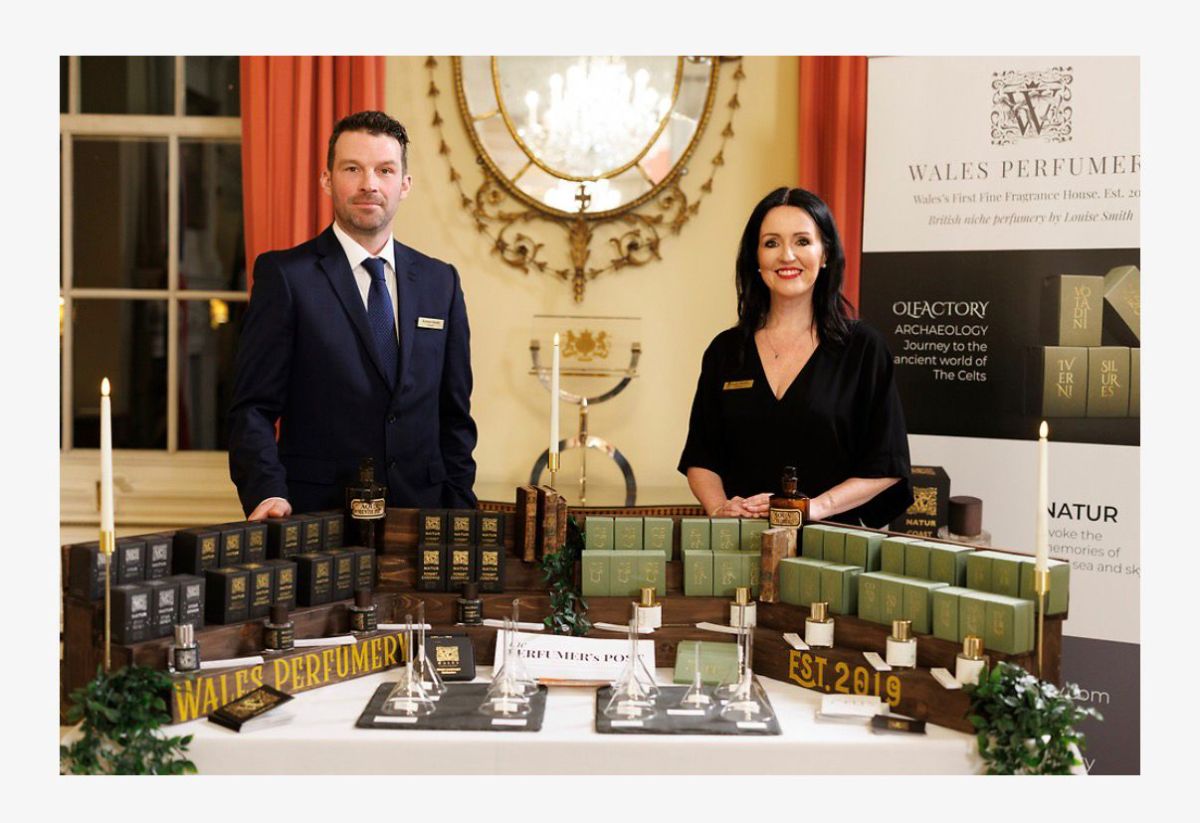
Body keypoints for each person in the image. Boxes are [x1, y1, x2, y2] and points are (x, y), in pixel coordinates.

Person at [228, 110, 477, 519]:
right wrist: (266, 491)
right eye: (352, 168)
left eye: (384, 170)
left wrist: (460, 509)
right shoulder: (286, 277)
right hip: (316, 518)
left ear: (405, 184)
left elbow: (455, 417)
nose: (369, 184)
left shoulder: (441, 283)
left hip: (423, 517)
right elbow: (251, 408)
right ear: (327, 179)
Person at [678, 187, 912, 528]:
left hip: (831, 548)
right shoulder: (725, 351)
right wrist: (719, 509)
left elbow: (887, 464)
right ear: (756, 259)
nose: (787, 255)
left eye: (802, 241)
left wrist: (814, 507)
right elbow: (701, 458)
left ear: (825, 253)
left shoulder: (863, 349)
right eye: (771, 243)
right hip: (737, 546)